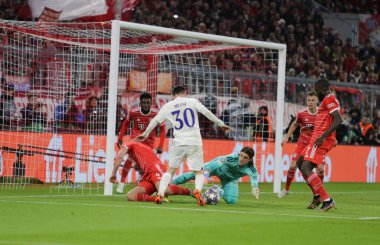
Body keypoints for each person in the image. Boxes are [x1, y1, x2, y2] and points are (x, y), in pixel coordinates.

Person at [136, 85, 231, 206]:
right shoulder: (192, 101)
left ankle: (160, 193)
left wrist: (145, 133)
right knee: (199, 172)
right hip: (194, 141)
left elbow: (155, 120)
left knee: (170, 170)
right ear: (184, 93)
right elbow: (206, 112)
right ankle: (197, 191)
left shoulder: (168, 105)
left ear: (172, 94)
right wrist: (221, 124)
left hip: (179, 142)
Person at [296, 78, 343, 212]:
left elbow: (338, 119)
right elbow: (327, 120)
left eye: (317, 91)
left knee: (306, 167)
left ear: (322, 89)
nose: (316, 94)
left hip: (321, 139)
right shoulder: (328, 100)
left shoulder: (329, 98)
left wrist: (323, 136)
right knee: (300, 163)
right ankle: (317, 195)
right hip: (317, 137)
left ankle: (327, 199)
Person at [277, 91, 325, 198]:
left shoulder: (322, 114)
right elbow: (294, 125)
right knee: (293, 166)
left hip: (315, 146)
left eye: (313, 100)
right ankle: (286, 189)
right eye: (309, 100)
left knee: (320, 169)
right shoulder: (301, 114)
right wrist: (286, 137)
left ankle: (320, 192)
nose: (310, 102)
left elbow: (327, 127)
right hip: (302, 144)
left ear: (317, 100)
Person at [109, 141, 192, 202]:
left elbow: (119, 156)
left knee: (163, 189)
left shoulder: (130, 145)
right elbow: (134, 166)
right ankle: (158, 199)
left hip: (155, 168)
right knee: (131, 196)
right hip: (148, 175)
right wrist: (138, 168)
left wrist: (113, 174)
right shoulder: (134, 153)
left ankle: (191, 192)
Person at [116, 92, 166, 193]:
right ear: (140, 103)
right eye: (144, 103)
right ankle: (121, 184)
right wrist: (120, 138)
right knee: (129, 159)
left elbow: (163, 129)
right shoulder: (133, 111)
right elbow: (125, 124)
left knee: (147, 165)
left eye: (148, 103)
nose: (146, 105)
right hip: (136, 140)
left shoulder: (156, 113)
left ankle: (146, 182)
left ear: (150, 103)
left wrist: (160, 145)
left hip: (149, 143)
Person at [172, 147, 259, 204]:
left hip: (229, 179)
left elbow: (254, 181)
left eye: (245, 158)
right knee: (192, 175)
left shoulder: (252, 169)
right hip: (217, 169)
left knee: (232, 201)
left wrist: (254, 188)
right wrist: (205, 177)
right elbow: (210, 167)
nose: (242, 159)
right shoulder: (231, 158)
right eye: (241, 156)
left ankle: (217, 190)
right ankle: (169, 186)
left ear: (250, 159)